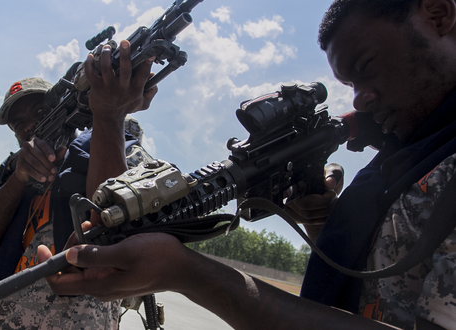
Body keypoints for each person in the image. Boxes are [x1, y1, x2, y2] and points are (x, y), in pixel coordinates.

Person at [37, 0, 456, 329]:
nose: (360, 99)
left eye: (366, 68)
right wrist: (322, 222)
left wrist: (190, 273)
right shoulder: (409, 154)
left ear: (438, 14)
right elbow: (370, 293)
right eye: (350, 84)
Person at [0, 40, 157, 329]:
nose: (29, 126)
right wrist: (19, 179)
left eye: (39, 114)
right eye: (18, 123)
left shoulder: (105, 148)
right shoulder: (13, 175)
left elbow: (117, 233)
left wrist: (109, 117)